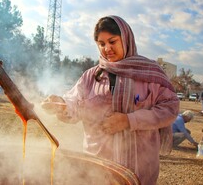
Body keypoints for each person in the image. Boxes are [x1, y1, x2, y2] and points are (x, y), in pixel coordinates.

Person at [41, 16, 179, 185]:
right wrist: (61, 105)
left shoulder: (151, 73)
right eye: (101, 43)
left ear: (126, 39)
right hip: (97, 167)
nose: (107, 48)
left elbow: (170, 109)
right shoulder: (91, 76)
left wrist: (129, 120)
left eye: (112, 41)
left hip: (139, 169)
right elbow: (74, 104)